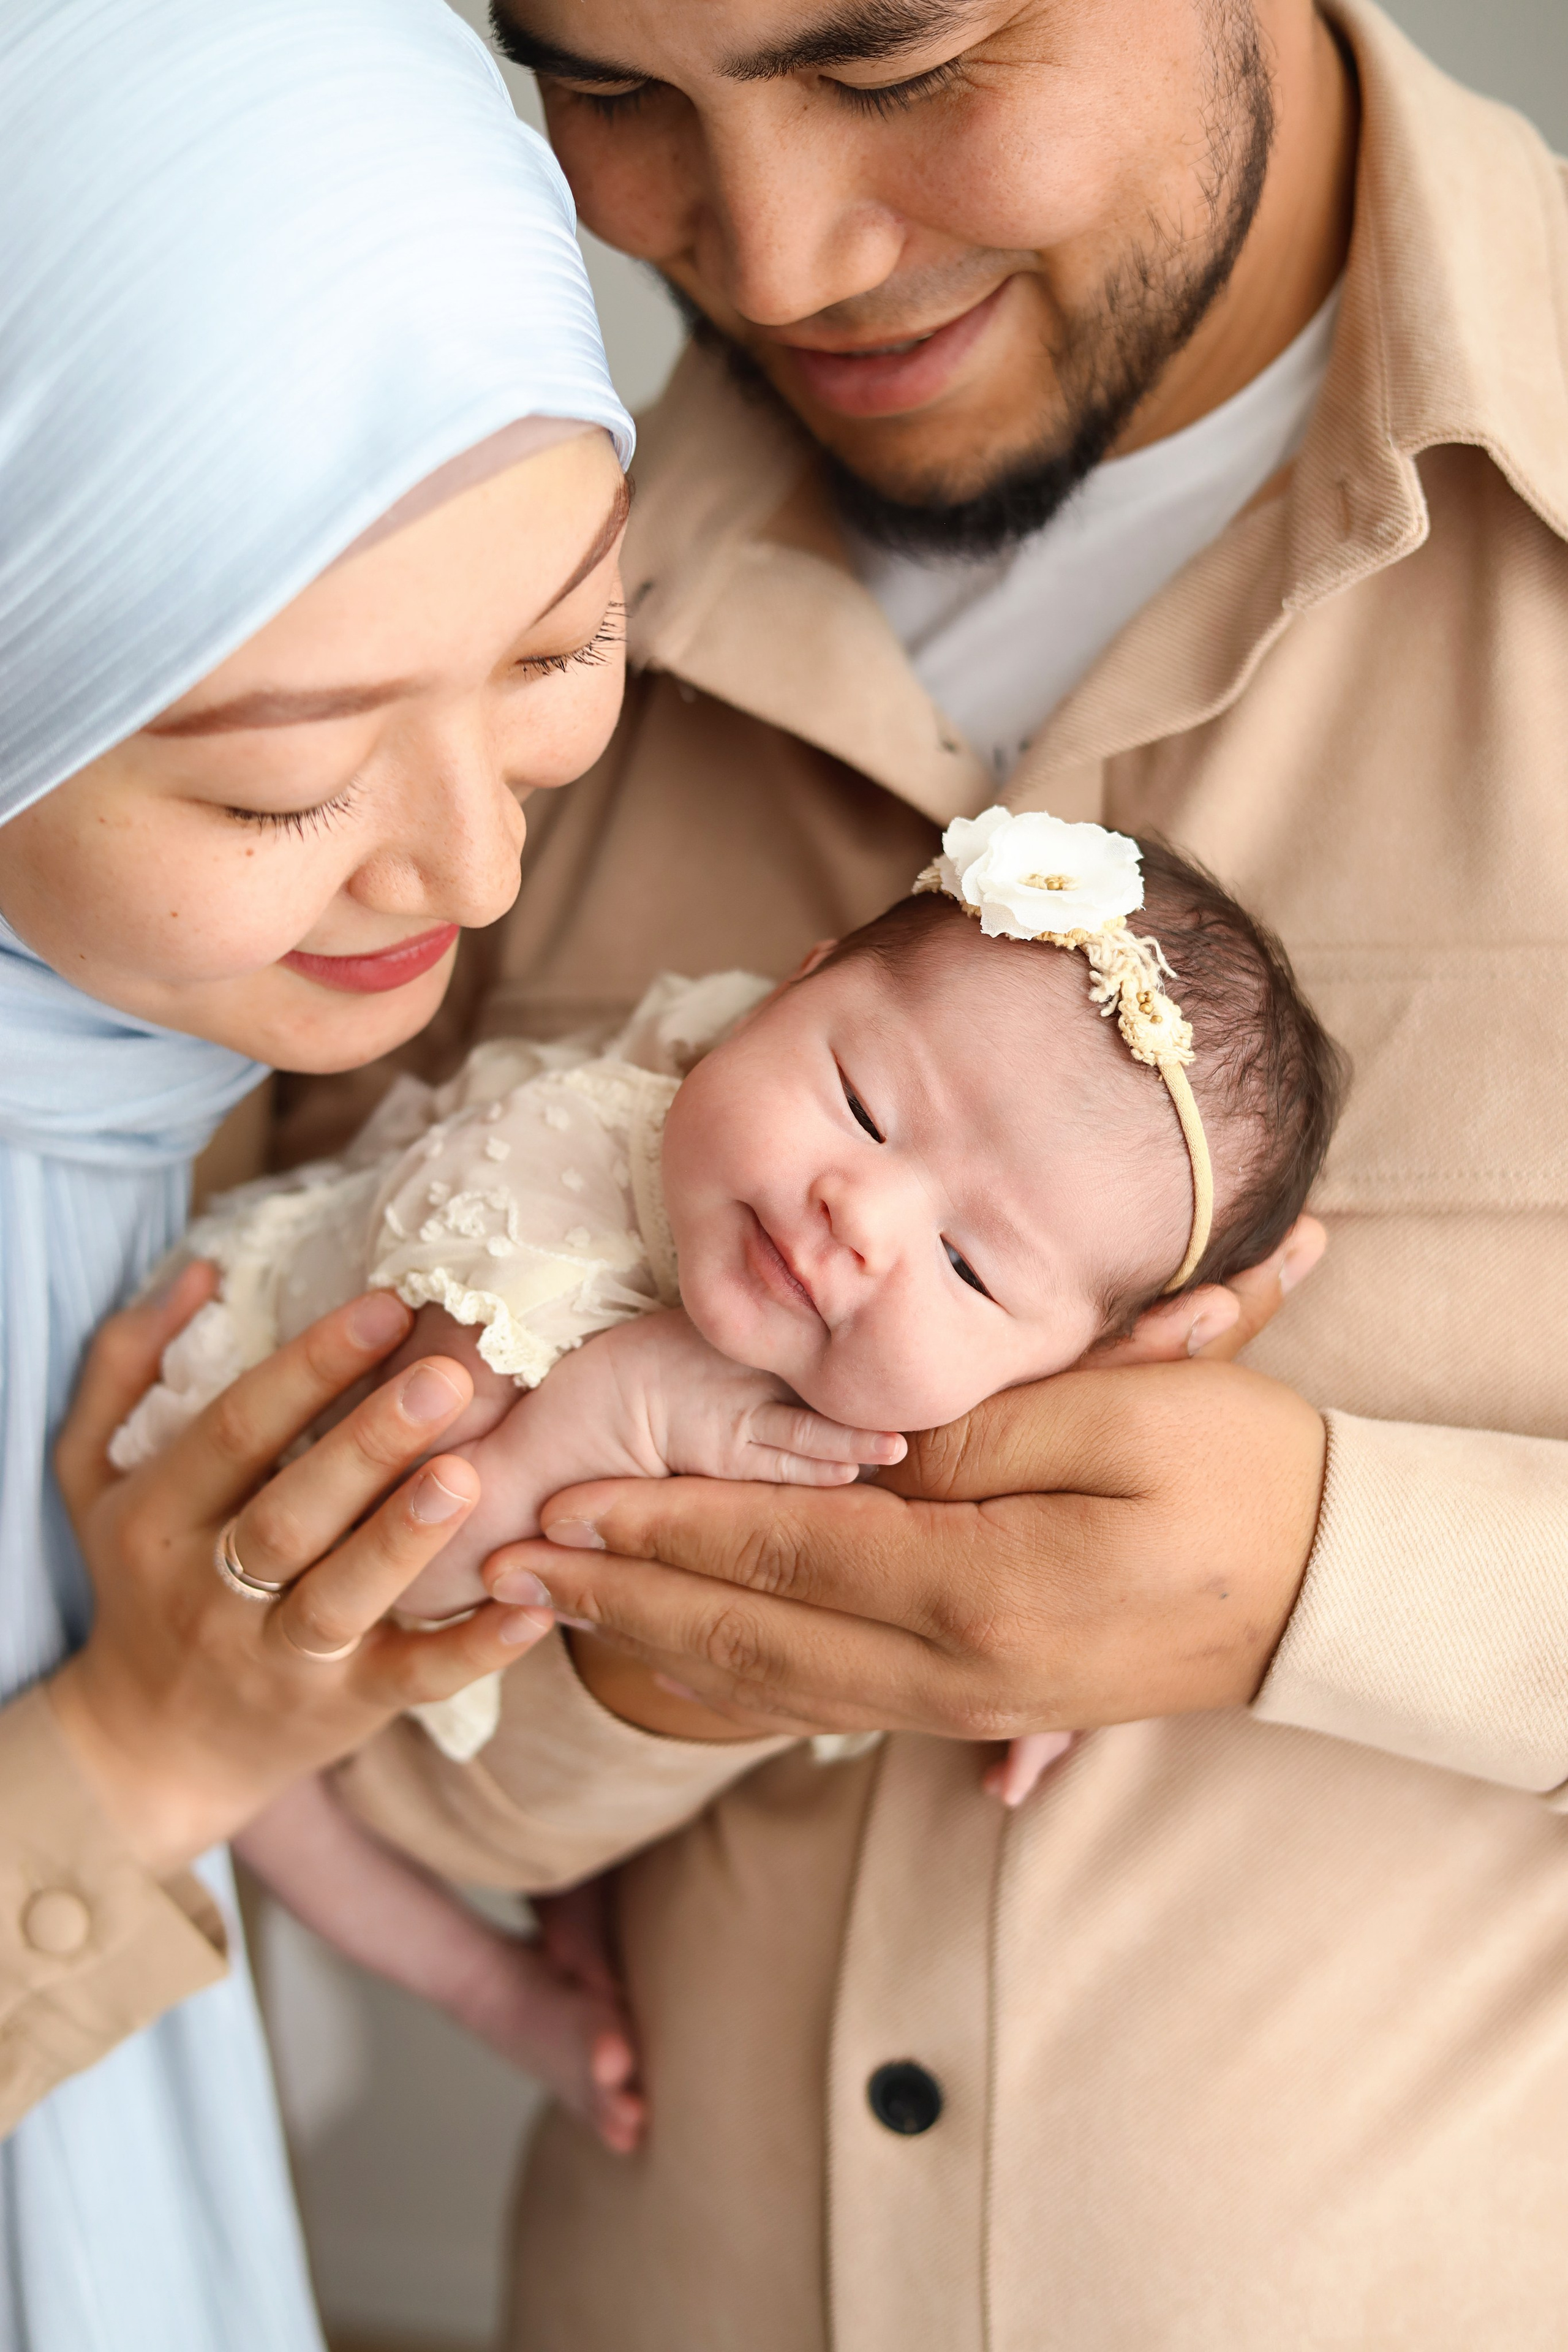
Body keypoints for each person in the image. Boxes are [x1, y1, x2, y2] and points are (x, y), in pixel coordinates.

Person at [292, 0, 1568, 2342]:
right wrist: (632, 1653)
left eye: (898, 65)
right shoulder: (417, 667)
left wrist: (1329, 1579)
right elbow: (268, 1734)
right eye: (614, 94)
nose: (773, 257)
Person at [0, 1, 640, 2343]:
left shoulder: (143, 1076)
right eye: (280, 786)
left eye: (572, 648)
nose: (470, 870)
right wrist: (131, 1754)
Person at [113, 807, 1343, 1826]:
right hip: (211, 1517)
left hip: (417, 1770)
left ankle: (481, 1979)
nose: (858, 1215)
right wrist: (606, 1416)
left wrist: (1064, 1670)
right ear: (781, 991)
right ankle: (471, 1979)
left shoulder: (911, 1379)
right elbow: (377, 1575)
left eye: (969, 1267)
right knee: (256, 1816)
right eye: (861, 1103)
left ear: (1068, 1362)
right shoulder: (549, 1171)